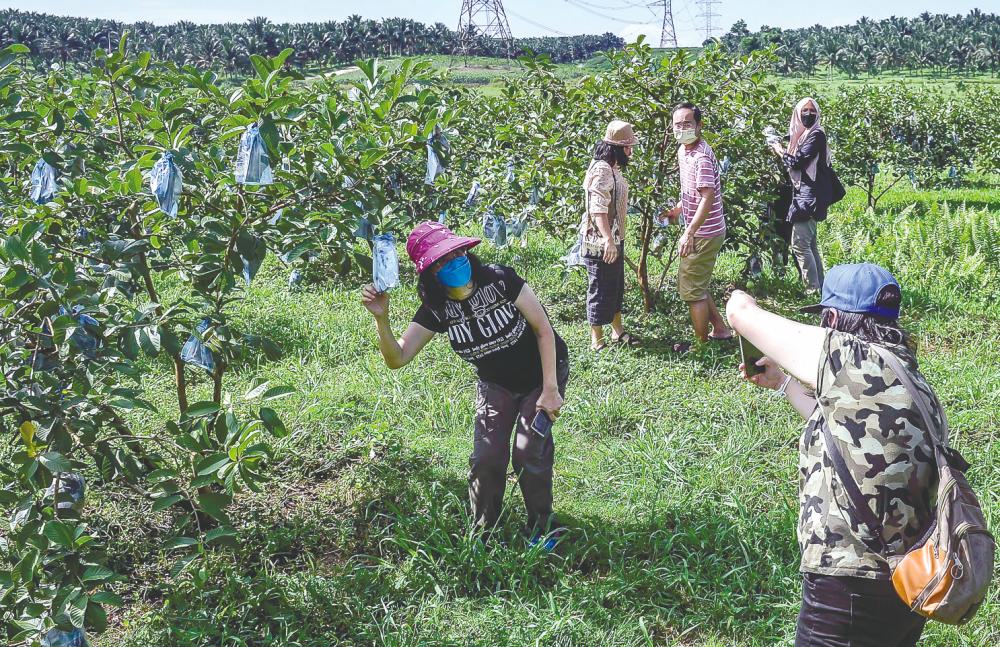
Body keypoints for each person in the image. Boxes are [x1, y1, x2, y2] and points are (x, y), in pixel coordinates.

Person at [726, 263, 942, 647]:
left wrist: (738, 296)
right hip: (905, 581)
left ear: (833, 318)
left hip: (848, 585)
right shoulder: (905, 376)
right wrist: (783, 383)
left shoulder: (847, 355)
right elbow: (845, 432)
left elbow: (740, 313)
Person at [360, 221, 570, 545]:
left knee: (529, 453)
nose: (453, 261)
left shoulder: (500, 280)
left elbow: (543, 328)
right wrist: (381, 318)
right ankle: (485, 535)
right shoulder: (437, 308)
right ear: (429, 272)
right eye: (442, 260)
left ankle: (542, 528)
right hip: (495, 383)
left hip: (541, 375)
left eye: (456, 253)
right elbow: (397, 358)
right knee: (487, 458)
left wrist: (551, 389)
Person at [662, 102, 731, 351]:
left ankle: (700, 347)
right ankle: (720, 330)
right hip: (703, 229)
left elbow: (707, 197)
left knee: (692, 290)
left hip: (703, 232)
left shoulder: (700, 157)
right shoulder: (684, 151)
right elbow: (692, 192)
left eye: (687, 124)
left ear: (699, 125)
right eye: (677, 125)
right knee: (698, 284)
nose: (682, 129)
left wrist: (688, 232)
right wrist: (677, 210)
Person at [580, 120, 640, 352]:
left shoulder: (611, 168)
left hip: (613, 238)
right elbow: (597, 208)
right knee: (600, 287)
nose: (630, 152)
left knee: (615, 286)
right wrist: (607, 240)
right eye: (628, 148)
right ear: (618, 148)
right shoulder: (602, 170)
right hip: (599, 242)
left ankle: (618, 332)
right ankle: (597, 339)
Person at [769, 97, 832, 293]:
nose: (808, 114)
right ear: (797, 113)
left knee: (800, 245)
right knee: (810, 245)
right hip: (807, 197)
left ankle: (811, 289)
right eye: (804, 110)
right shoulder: (805, 136)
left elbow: (798, 162)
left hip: (809, 198)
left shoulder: (816, 135)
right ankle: (821, 288)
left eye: (812, 111)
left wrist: (779, 150)